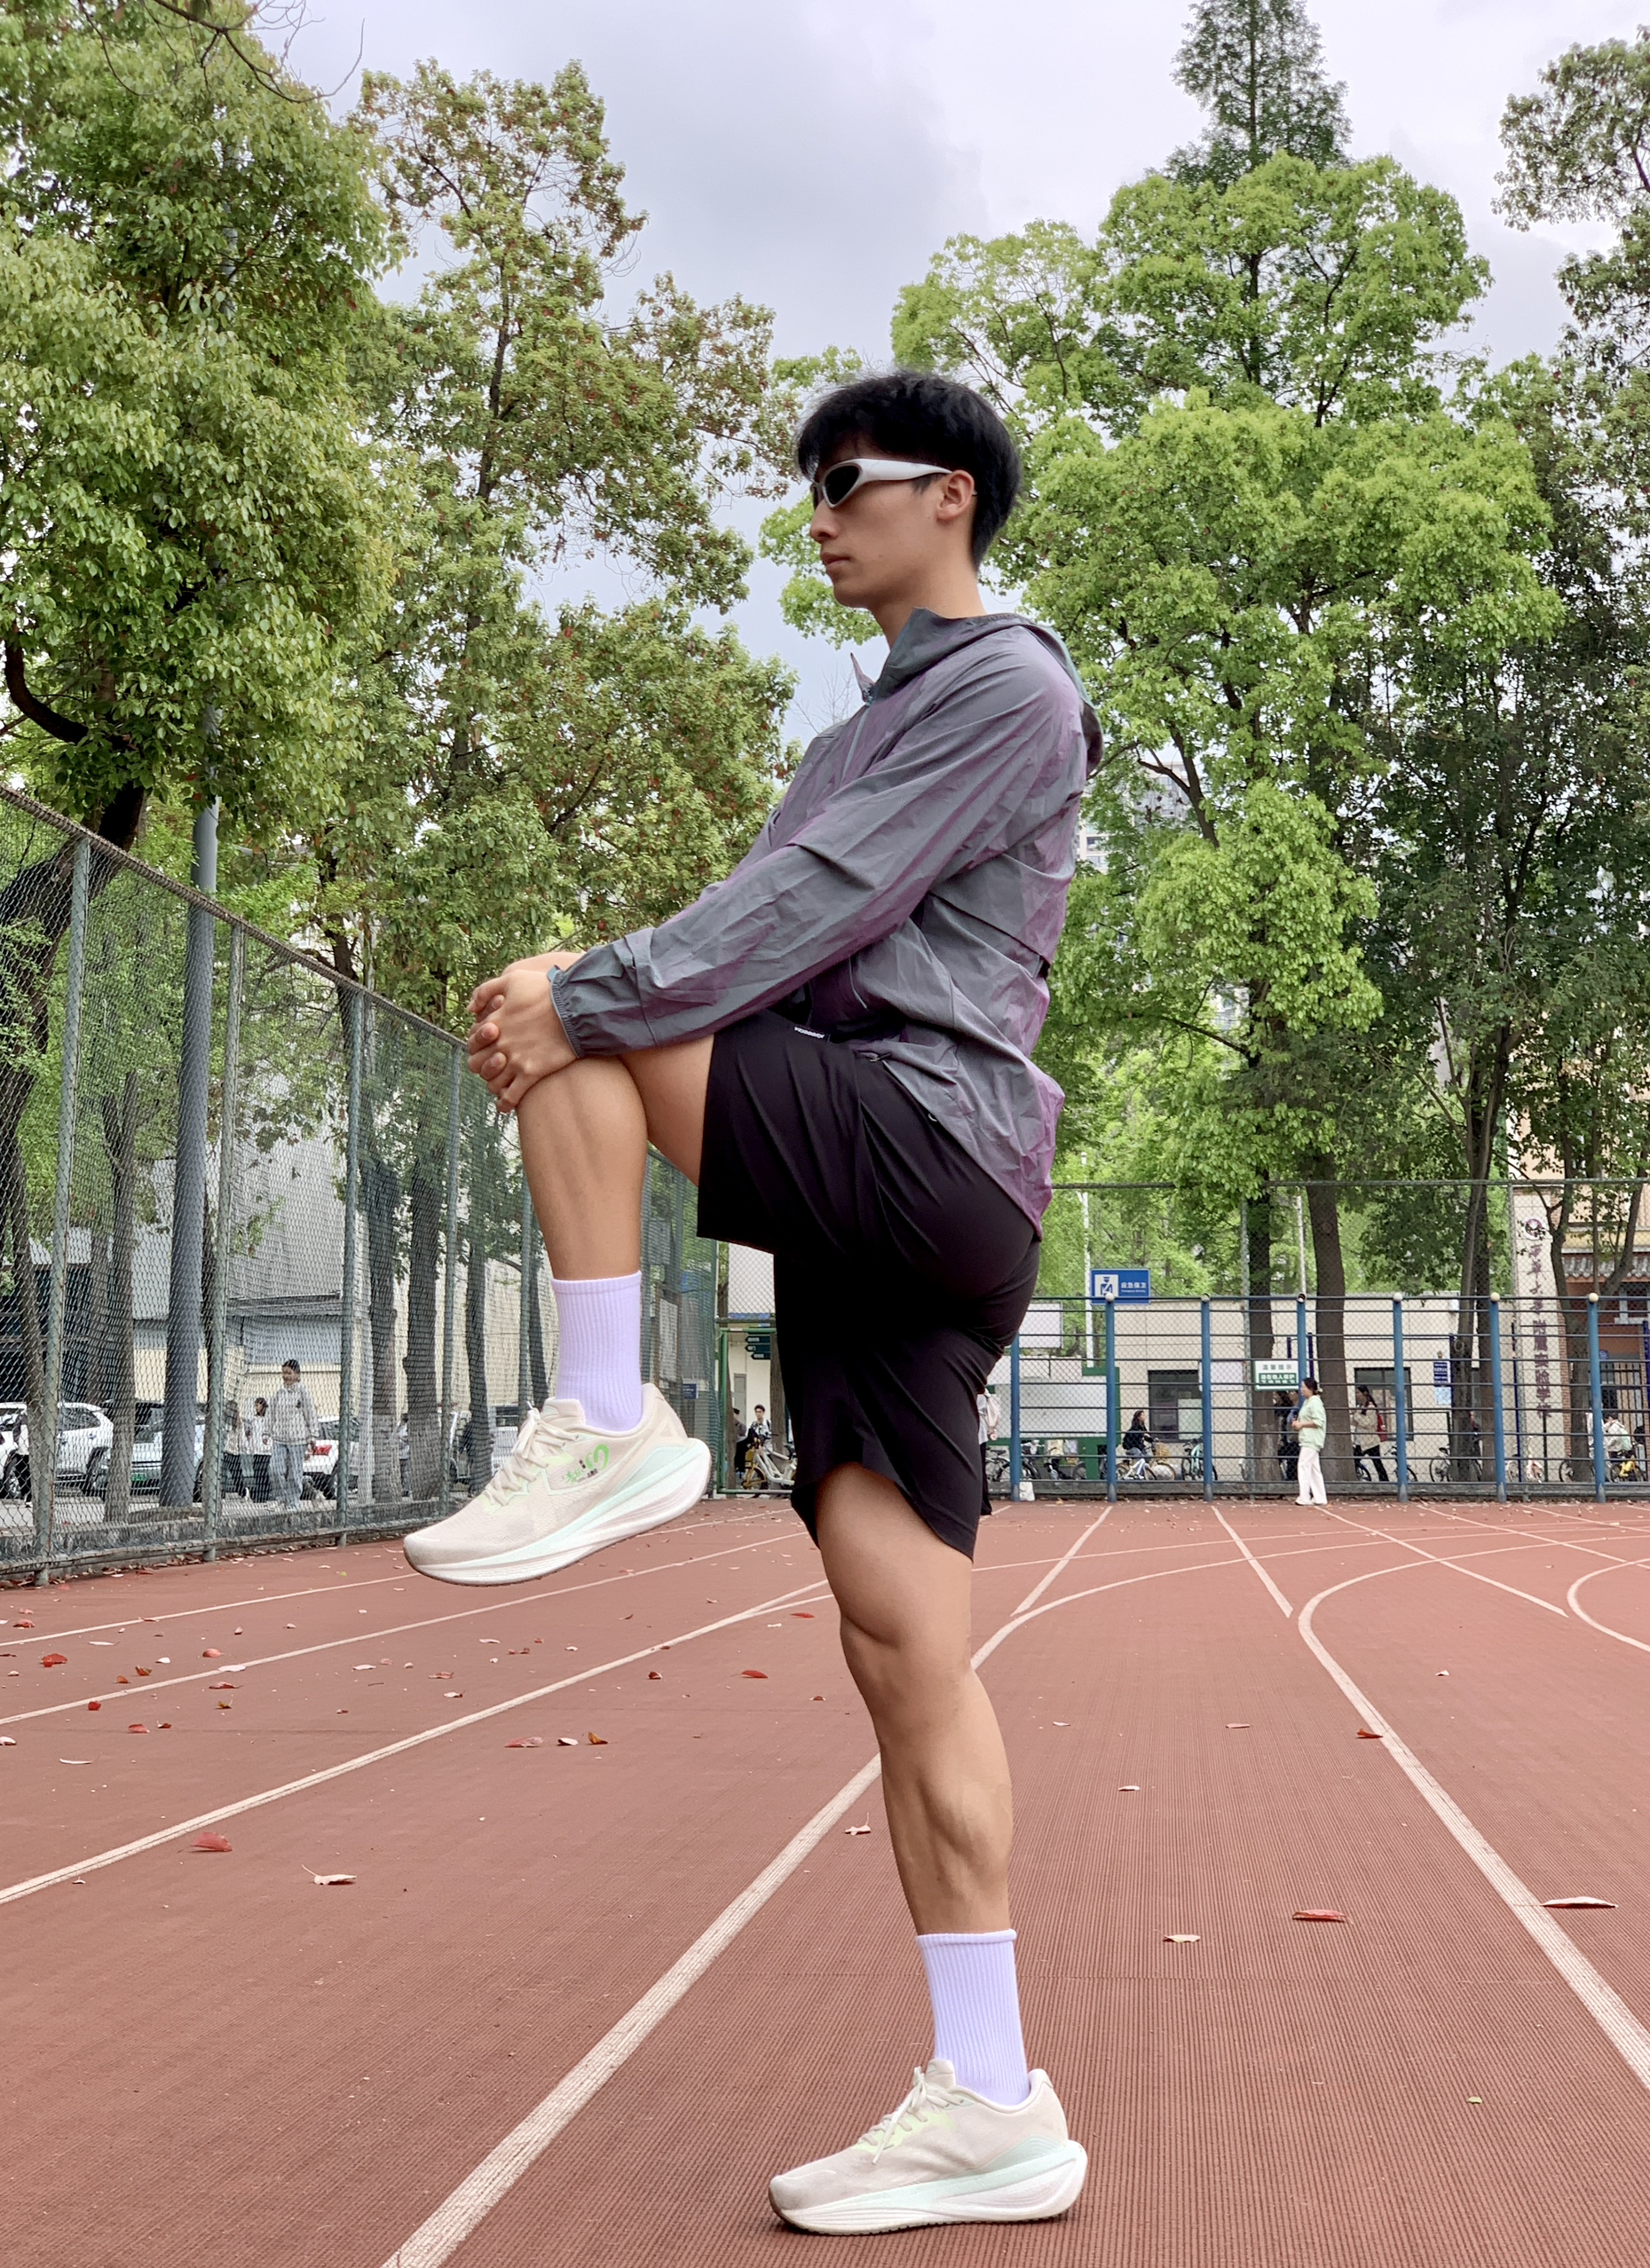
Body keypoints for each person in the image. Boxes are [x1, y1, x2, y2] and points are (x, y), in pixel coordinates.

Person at [402, 368, 1097, 2233]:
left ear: (948, 499)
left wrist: (583, 999)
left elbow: (812, 908)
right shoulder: (854, 734)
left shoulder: (1011, 689)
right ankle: (991, 2099)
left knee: (578, 1009)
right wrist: (613, 1004)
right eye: (810, 487)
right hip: (870, 1205)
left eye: (847, 482)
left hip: (930, 1148)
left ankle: (606, 1411)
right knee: (902, 1649)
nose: (818, 514)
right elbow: (779, 921)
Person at [269, 1360, 319, 1513]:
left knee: (294, 1473)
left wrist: (313, 1435)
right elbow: (271, 1414)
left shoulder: (303, 1393)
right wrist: (266, 1432)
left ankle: (293, 1503)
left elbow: (311, 1414)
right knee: (275, 1469)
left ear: (297, 1375)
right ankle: (281, 1498)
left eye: (289, 1373)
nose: (285, 1376)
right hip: (280, 1438)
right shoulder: (279, 1393)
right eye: (283, 1373)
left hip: (298, 1440)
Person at [1295, 1375, 1328, 1505]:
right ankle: (1320, 1497)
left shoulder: (1314, 1402)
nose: (1301, 1389)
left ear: (1310, 1388)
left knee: (1303, 1466)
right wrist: (1299, 1423)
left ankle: (1304, 1497)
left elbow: (1319, 1421)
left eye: (1303, 1387)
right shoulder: (1308, 1401)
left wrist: (1302, 1424)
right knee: (1314, 1469)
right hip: (1309, 1438)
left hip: (1311, 1439)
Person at [1351, 1384, 1389, 1483]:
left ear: (1364, 1394)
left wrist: (1356, 1415)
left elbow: (1367, 1423)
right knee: (1354, 1462)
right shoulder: (1360, 1407)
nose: (1356, 1395)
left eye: (1358, 1393)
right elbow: (1355, 1423)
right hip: (1360, 1442)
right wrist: (1354, 1414)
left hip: (1371, 1442)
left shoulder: (1371, 1407)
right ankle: (1355, 1479)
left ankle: (1385, 1482)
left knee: (1377, 1464)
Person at [244, 1396, 272, 1503]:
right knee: (257, 1472)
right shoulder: (254, 1419)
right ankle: (261, 1494)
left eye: (257, 1405)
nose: (256, 1408)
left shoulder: (267, 1419)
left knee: (262, 1472)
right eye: (255, 1406)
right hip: (256, 1449)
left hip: (265, 1450)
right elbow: (251, 1433)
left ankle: (263, 1494)